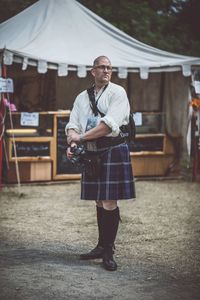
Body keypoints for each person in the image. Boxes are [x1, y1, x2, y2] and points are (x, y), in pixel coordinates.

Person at [65, 55, 136, 271]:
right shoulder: (81, 97)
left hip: (113, 149)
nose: (106, 71)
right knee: (98, 200)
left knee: (109, 202)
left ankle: (108, 251)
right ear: (92, 71)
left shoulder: (118, 93)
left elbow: (107, 126)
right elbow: (73, 123)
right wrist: (73, 141)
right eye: (101, 67)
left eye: (109, 68)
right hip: (92, 151)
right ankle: (100, 245)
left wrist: (81, 139)